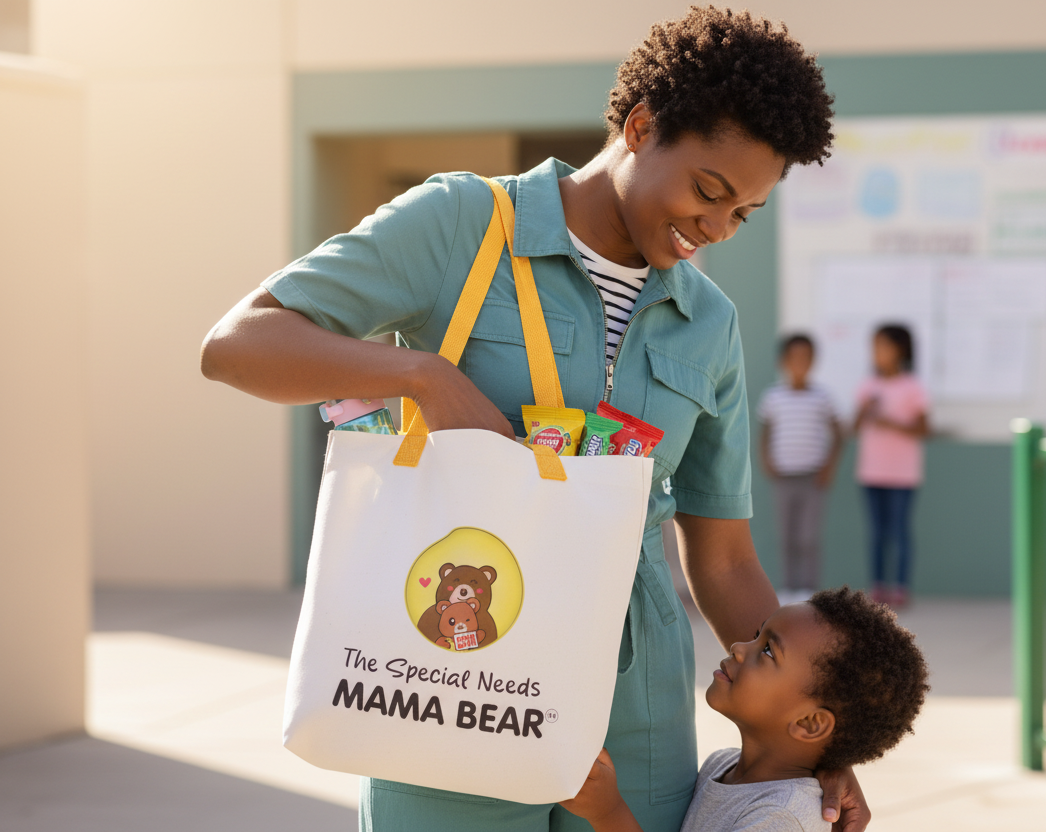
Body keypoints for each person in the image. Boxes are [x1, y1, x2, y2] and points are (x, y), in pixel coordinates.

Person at [201, 7, 873, 832]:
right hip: (451, 673)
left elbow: (725, 559)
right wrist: (422, 375)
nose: (714, 228)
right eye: (708, 190)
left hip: (640, 710)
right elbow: (237, 346)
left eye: (742, 213)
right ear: (641, 124)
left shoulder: (711, 322)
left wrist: (819, 749)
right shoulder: (460, 225)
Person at [559, 587, 929, 831]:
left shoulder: (782, 818)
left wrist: (607, 813)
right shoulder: (721, 766)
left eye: (767, 650)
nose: (738, 646)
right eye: (757, 634)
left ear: (810, 722)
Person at [758, 335, 844, 601]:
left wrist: (830, 466)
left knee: (808, 536)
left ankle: (808, 590)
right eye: (794, 358)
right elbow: (766, 431)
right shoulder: (773, 397)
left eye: (805, 358)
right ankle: (789, 588)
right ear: (783, 362)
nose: (800, 364)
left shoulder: (823, 397)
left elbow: (839, 433)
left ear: (813, 361)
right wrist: (766, 459)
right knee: (787, 535)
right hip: (784, 477)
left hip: (812, 476)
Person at [852, 325, 928, 609]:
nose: (878, 354)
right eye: (875, 347)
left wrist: (891, 423)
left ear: (901, 351)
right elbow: (854, 427)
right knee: (877, 532)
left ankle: (900, 587)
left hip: (902, 474)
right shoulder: (867, 386)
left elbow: (923, 428)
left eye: (884, 347)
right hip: (871, 472)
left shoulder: (913, 387)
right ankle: (878, 587)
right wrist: (864, 409)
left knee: (899, 530)